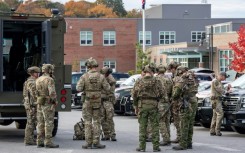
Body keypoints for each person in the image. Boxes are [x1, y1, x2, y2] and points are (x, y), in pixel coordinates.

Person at [76, 57, 110, 149]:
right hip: (97, 102)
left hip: (87, 101)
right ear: (95, 65)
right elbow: (107, 88)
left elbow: (78, 88)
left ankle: (88, 142)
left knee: (87, 122)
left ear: (88, 66)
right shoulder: (101, 76)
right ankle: (96, 142)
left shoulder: (84, 76)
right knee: (97, 121)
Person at [132, 64, 164, 152]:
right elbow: (162, 94)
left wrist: (135, 106)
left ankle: (142, 147)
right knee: (155, 126)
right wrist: (159, 101)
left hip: (142, 105)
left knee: (142, 126)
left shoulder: (139, 81)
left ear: (145, 71)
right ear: (152, 71)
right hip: (154, 105)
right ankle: (156, 147)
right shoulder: (157, 81)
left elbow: (134, 95)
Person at [172, 67, 199, 150]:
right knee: (190, 123)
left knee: (184, 123)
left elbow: (176, 93)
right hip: (194, 101)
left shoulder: (184, 78)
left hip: (186, 103)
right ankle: (189, 143)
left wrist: (174, 97)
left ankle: (183, 144)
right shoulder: (194, 78)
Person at [36, 64, 59, 148]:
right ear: (49, 70)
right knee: (49, 122)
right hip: (47, 103)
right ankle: (48, 142)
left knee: (40, 122)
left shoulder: (38, 79)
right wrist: (55, 101)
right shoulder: (50, 80)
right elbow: (52, 92)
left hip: (40, 102)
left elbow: (36, 92)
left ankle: (39, 141)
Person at [23, 66, 40, 146]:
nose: (38, 74)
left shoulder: (29, 81)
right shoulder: (31, 82)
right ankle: (28, 140)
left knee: (31, 122)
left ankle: (30, 138)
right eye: (37, 72)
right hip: (32, 105)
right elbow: (34, 94)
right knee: (30, 122)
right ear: (33, 73)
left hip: (31, 104)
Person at [156, 64, 173, 146]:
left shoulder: (156, 79)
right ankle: (168, 137)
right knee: (166, 121)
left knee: (160, 120)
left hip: (160, 102)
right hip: (168, 102)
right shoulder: (169, 79)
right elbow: (171, 91)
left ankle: (165, 139)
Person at [210, 72, 230, 136]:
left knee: (215, 116)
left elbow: (222, 89)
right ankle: (217, 131)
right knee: (220, 114)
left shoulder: (219, 82)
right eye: (225, 77)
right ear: (221, 76)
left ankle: (212, 131)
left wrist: (227, 88)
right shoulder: (215, 81)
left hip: (216, 100)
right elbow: (220, 90)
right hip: (216, 100)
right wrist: (227, 91)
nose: (225, 79)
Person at [100, 66, 117, 141]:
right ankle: (106, 134)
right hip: (102, 101)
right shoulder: (102, 78)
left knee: (109, 118)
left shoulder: (111, 80)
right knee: (102, 118)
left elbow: (110, 91)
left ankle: (112, 135)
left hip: (108, 101)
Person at [167, 61, 181, 143]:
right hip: (177, 101)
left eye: (170, 69)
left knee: (177, 119)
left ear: (173, 68)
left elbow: (176, 89)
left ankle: (180, 137)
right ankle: (180, 136)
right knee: (177, 120)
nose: (170, 71)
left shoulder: (177, 76)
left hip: (177, 101)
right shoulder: (177, 75)